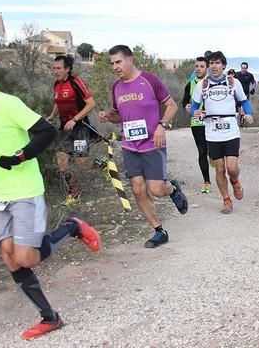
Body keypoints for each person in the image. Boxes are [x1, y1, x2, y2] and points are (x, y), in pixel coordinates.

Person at [0, 54, 101, 340]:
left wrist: (19, 156)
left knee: (27, 258)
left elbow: (45, 132)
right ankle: (49, 318)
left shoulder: (6, 103)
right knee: (10, 258)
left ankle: (73, 227)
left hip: (25, 190)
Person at [97, 45, 188, 249]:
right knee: (138, 190)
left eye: (118, 62)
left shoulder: (149, 80)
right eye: (112, 63)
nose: (115, 67)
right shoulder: (117, 87)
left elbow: (171, 106)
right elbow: (119, 115)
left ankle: (172, 189)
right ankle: (159, 231)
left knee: (156, 189)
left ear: (130, 60)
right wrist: (108, 116)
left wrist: (161, 126)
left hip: (152, 144)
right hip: (130, 146)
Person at [190, 51, 253, 214]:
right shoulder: (201, 85)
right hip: (212, 131)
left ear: (223, 65)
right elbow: (194, 107)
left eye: (217, 63)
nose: (214, 66)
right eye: (211, 63)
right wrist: (195, 112)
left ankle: (235, 181)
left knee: (231, 168)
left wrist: (248, 113)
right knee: (219, 169)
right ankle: (226, 200)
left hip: (231, 130)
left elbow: (244, 101)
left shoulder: (233, 82)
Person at [45, 55, 97, 204]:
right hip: (65, 128)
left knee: (83, 163)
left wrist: (74, 120)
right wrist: (52, 116)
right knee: (61, 159)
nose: (55, 71)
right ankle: (72, 195)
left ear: (67, 69)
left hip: (80, 128)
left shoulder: (76, 83)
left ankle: (102, 165)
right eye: (54, 68)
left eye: (59, 68)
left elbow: (91, 104)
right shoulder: (56, 85)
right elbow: (58, 102)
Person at [181, 56, 211, 193]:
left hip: (212, 121)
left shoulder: (212, 83)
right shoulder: (190, 84)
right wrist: (186, 107)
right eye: (197, 66)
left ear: (207, 68)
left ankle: (213, 158)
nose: (198, 69)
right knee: (202, 151)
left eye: (201, 66)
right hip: (197, 122)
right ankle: (207, 182)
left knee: (212, 151)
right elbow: (184, 101)